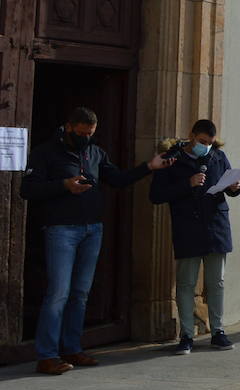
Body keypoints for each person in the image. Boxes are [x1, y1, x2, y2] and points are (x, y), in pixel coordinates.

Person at [22, 107, 172, 374]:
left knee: (80, 294)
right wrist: (64, 185)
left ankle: (72, 348)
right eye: (81, 133)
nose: (86, 138)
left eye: (90, 134)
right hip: (61, 230)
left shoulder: (95, 152)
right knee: (58, 293)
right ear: (68, 127)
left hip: (93, 229)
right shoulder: (45, 153)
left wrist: (149, 167)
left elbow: (117, 179)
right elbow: (28, 189)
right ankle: (47, 355)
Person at [151, 118, 240, 352]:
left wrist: (235, 188)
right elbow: (156, 195)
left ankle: (218, 331)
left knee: (217, 282)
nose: (207, 146)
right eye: (203, 142)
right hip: (188, 228)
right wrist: (187, 183)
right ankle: (186, 335)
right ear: (191, 136)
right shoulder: (171, 158)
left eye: (210, 143)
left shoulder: (219, 156)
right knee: (185, 284)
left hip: (216, 226)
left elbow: (229, 184)